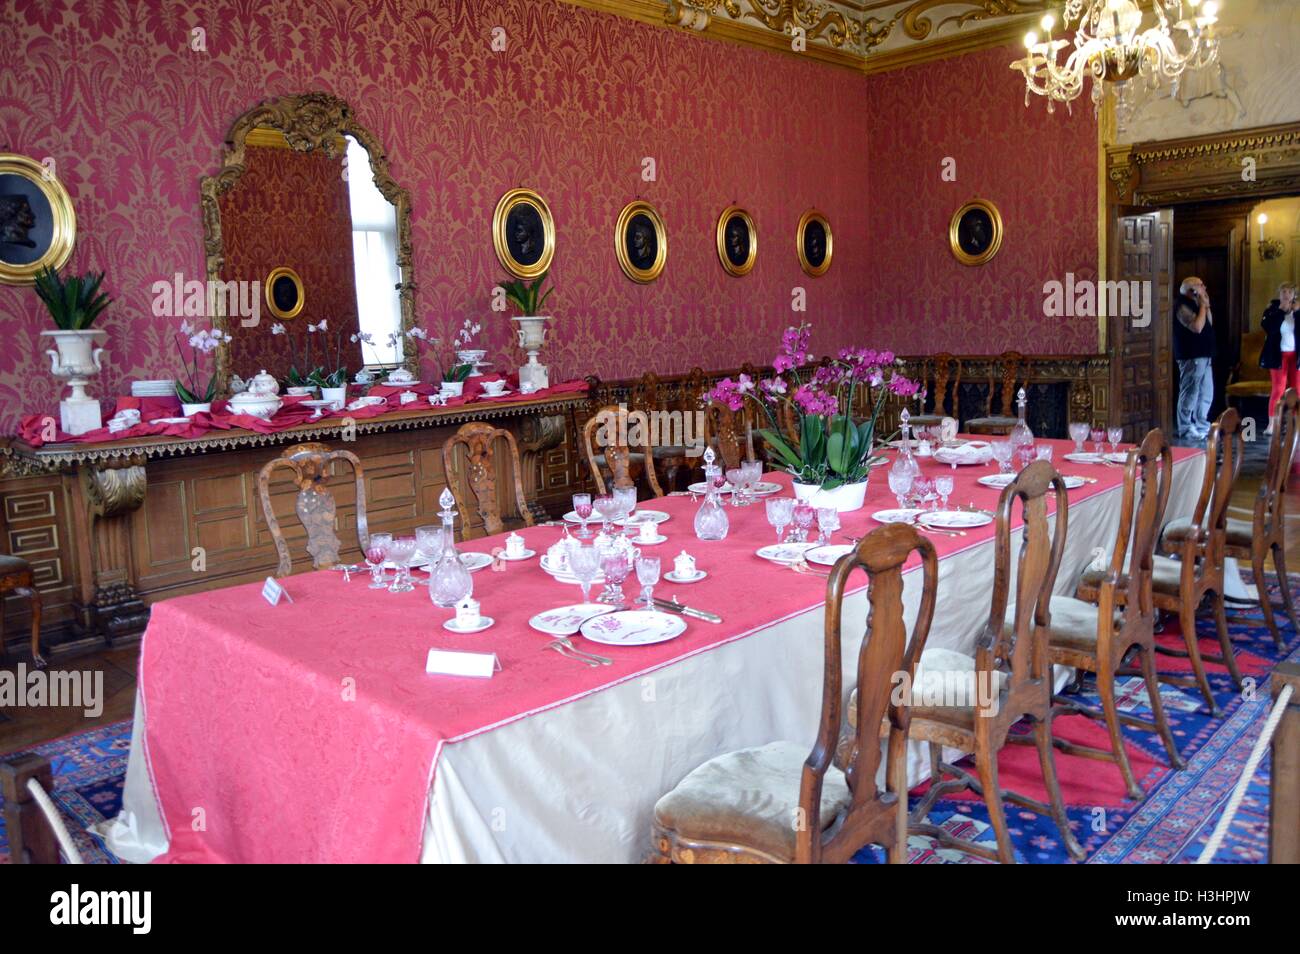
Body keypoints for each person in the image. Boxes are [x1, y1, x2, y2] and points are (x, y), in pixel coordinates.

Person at [1173, 275, 1215, 442]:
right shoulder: (1181, 306)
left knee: (1206, 392)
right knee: (1190, 392)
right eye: (1201, 285)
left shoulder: (1198, 304)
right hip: (1191, 355)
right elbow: (1197, 327)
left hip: (1205, 354)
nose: (1204, 287)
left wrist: (1205, 305)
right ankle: (1186, 427)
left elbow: (1209, 323)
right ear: (1192, 290)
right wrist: (1203, 306)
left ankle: (1201, 425)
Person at [1260, 281, 1299, 435]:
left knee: (1297, 389)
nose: (1287, 295)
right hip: (1278, 355)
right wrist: (1281, 312)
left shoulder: (1298, 310)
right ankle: (1272, 423)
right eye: (1284, 292)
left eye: (1290, 292)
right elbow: (1269, 328)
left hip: (1296, 355)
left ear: (1294, 295)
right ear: (1279, 294)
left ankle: (1295, 423)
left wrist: (1296, 312)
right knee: (1278, 389)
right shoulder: (1272, 309)